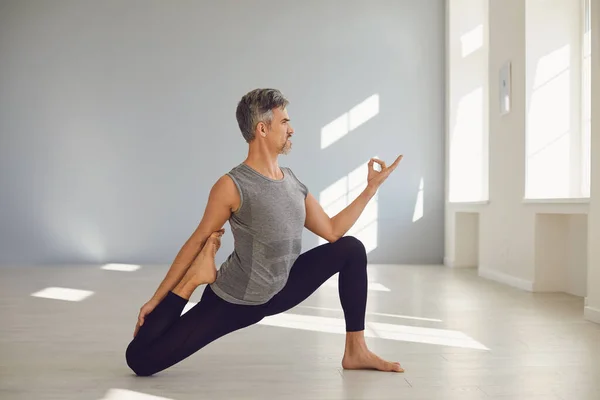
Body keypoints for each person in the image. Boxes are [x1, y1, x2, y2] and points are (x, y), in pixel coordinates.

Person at [125, 88, 404, 377]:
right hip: (235, 300)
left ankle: (356, 350)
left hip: (280, 289)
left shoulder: (292, 181)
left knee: (351, 248)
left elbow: (333, 231)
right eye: (284, 122)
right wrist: (157, 299)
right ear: (262, 128)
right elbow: (197, 240)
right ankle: (194, 279)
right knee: (140, 360)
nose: (291, 129)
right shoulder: (232, 185)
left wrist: (371, 188)